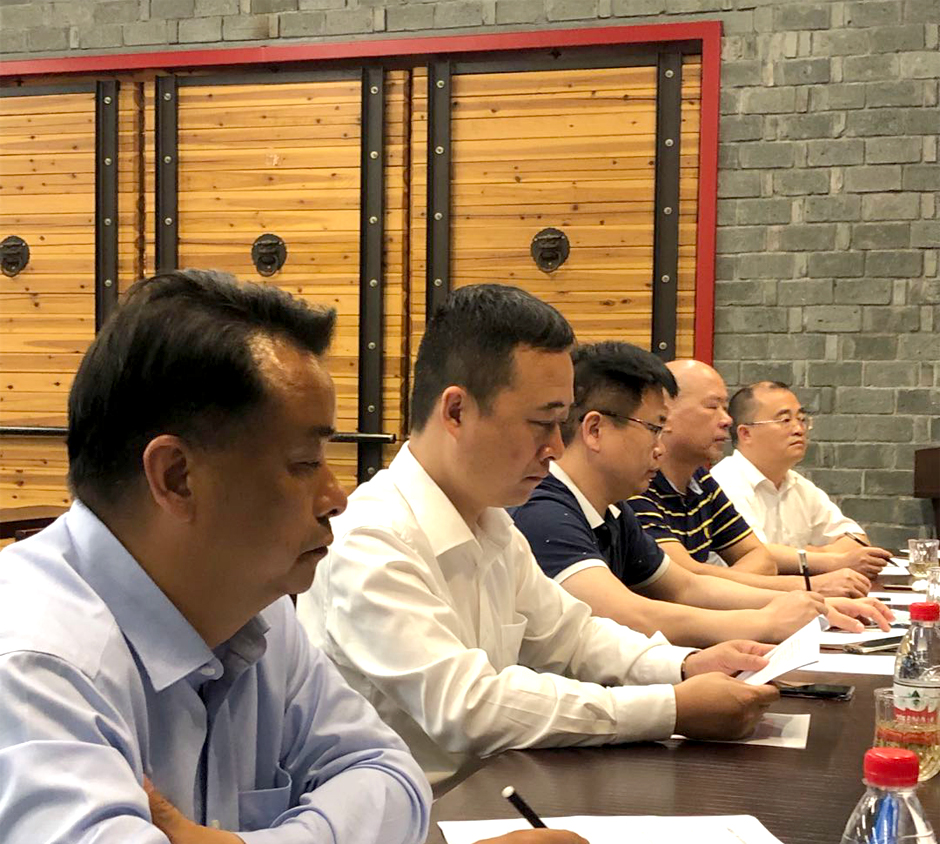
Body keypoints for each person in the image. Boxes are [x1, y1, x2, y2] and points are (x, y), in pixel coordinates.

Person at [0, 270, 595, 844]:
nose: (337, 495)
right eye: (305, 461)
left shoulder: (254, 608)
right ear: (176, 478)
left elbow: (391, 778)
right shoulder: (33, 655)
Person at [297, 285, 778, 789]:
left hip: (490, 793)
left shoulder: (493, 523)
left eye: (560, 423)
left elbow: (573, 636)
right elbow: (470, 707)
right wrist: (671, 707)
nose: (555, 448)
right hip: (413, 819)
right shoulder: (372, 539)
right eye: (542, 423)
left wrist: (685, 665)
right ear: (456, 412)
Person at [510, 342, 891, 644]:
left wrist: (813, 602)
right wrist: (765, 621)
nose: (660, 446)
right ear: (595, 430)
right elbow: (628, 614)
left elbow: (687, 586)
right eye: (654, 427)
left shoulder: (613, 511)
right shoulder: (545, 510)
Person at [629, 359, 879, 600]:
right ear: (665, 414)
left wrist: (713, 586)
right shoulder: (637, 485)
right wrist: (810, 584)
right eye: (712, 407)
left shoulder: (701, 482)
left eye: (802, 420)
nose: (726, 419)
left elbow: (763, 560)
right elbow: (683, 579)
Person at [712, 379, 892, 578]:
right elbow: (757, 555)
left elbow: (857, 539)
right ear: (746, 433)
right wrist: (833, 560)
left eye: (801, 419)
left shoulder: (798, 485)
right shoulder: (724, 483)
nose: (799, 429)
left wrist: (813, 554)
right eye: (785, 420)